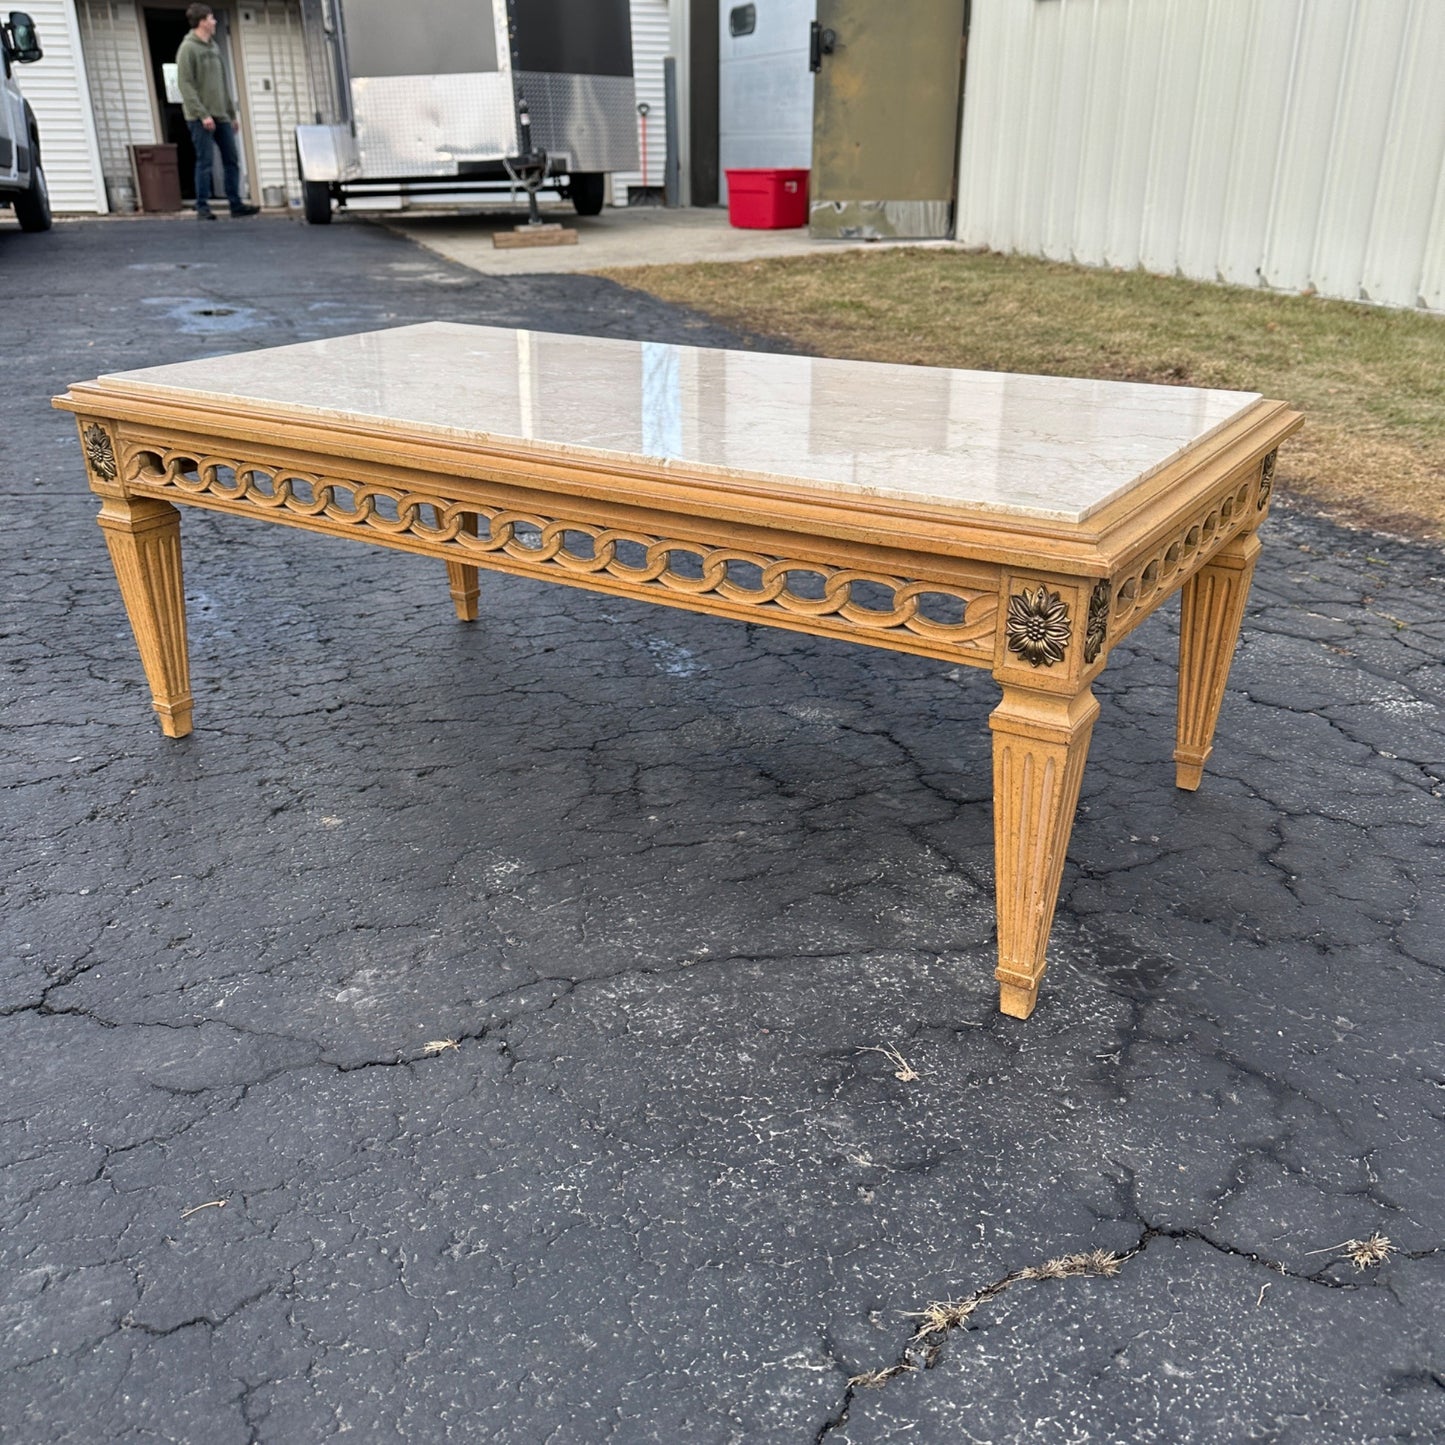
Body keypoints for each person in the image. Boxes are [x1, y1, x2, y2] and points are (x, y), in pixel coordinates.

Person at [175, 4, 258, 220]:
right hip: (199, 118)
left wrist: (231, 114)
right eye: (211, 18)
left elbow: (222, 83)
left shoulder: (214, 47)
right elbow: (185, 85)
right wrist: (203, 114)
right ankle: (202, 206)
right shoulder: (188, 49)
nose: (215, 22)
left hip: (221, 115)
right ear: (202, 21)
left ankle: (236, 204)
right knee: (205, 161)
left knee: (231, 159)